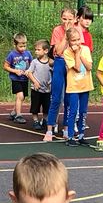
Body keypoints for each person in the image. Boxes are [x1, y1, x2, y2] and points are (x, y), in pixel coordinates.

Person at [44, 8, 76, 139]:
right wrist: (66, 36)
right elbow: (58, 50)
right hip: (59, 62)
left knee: (69, 98)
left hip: (71, 64)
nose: (67, 22)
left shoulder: (77, 30)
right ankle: (49, 130)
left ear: (75, 19)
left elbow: (77, 49)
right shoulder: (57, 30)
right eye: (64, 19)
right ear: (60, 18)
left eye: (70, 19)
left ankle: (66, 129)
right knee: (56, 97)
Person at [63, 27, 93, 145]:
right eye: (73, 40)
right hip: (74, 87)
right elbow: (77, 68)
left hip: (85, 85)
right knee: (73, 111)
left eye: (78, 39)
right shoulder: (67, 52)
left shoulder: (85, 49)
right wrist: (76, 53)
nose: (76, 43)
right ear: (69, 41)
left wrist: (80, 54)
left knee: (83, 112)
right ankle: (70, 136)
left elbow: (89, 67)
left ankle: (81, 135)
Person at [4, 33, 33, 123]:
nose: (23, 48)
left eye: (24, 46)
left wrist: (29, 72)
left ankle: (13, 112)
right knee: (20, 96)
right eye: (20, 46)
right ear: (15, 45)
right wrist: (15, 71)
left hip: (25, 79)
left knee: (22, 97)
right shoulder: (12, 54)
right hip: (16, 79)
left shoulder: (28, 53)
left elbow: (32, 64)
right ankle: (18, 115)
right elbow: (6, 66)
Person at [27, 40, 53, 130]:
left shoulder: (50, 62)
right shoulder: (34, 62)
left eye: (38, 50)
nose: (36, 52)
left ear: (46, 51)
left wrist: (51, 82)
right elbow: (29, 72)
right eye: (35, 50)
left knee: (47, 107)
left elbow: (53, 73)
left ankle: (45, 120)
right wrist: (35, 82)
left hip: (47, 89)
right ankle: (35, 121)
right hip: (36, 89)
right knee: (35, 106)